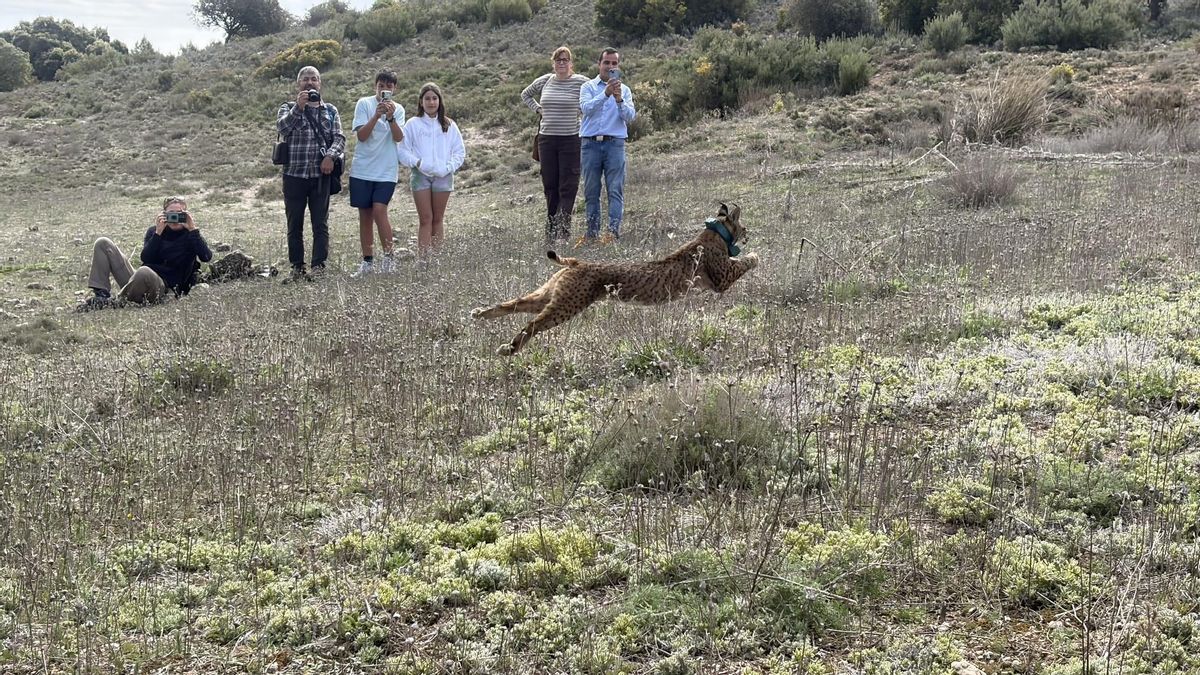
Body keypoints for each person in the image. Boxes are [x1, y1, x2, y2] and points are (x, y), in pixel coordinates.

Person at [79, 197, 213, 311]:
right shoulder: (155, 231)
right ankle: (101, 294)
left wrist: (192, 229)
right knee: (103, 243)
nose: (175, 218)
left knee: (144, 272)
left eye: (180, 214)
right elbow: (146, 258)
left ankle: (113, 302)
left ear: (187, 215)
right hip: (141, 280)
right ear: (163, 215)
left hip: (164, 288)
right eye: (171, 214)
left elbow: (206, 257)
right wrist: (158, 234)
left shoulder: (191, 235)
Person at [276, 65, 346, 283]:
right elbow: (282, 129)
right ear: (298, 84)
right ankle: (297, 268)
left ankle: (318, 268)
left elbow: (339, 138)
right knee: (294, 225)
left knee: (320, 224)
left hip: (320, 177)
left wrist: (330, 157)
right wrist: (298, 107)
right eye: (305, 79)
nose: (309, 82)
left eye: (314, 79)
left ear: (319, 83)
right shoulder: (287, 107)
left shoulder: (330, 110)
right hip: (293, 175)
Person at [521, 46, 589, 246]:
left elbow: (596, 92)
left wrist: (584, 111)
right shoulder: (545, 80)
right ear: (553, 63)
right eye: (558, 60)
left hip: (571, 139)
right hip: (547, 140)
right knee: (550, 186)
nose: (561, 63)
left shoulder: (581, 82)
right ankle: (550, 232)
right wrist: (538, 109)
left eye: (565, 59)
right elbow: (525, 94)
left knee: (568, 186)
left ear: (571, 63)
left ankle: (563, 233)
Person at [397, 82, 466, 257]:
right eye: (427, 99)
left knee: (438, 218)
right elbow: (402, 150)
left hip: (444, 176)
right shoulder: (413, 124)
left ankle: (437, 259)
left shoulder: (449, 124)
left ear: (439, 100)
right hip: (420, 176)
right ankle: (423, 260)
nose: (431, 102)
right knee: (425, 218)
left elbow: (459, 151)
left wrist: (448, 167)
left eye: (434, 98)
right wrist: (418, 163)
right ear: (421, 102)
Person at [348, 70, 404, 278]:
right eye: (381, 86)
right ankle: (367, 262)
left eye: (389, 87)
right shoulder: (364, 104)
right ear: (375, 86)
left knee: (380, 211)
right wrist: (376, 115)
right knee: (365, 216)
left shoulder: (398, 109)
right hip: (362, 169)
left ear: (394, 89)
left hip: (386, 171)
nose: (384, 90)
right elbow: (362, 136)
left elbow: (398, 137)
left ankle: (389, 259)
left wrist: (390, 118)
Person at [578, 48, 636, 246]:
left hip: (614, 144)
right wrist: (605, 94)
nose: (610, 67)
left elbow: (630, 117)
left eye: (614, 63)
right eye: (607, 63)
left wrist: (618, 99)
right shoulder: (588, 87)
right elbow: (586, 109)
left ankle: (612, 234)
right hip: (590, 144)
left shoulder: (625, 90)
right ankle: (592, 234)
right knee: (591, 191)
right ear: (599, 64)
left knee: (615, 190)